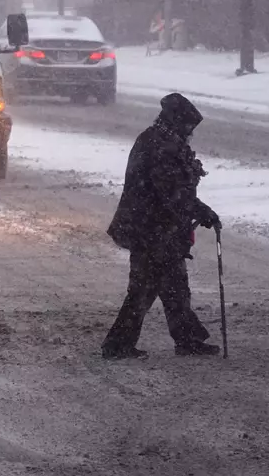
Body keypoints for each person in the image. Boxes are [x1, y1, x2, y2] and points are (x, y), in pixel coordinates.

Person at [101, 92, 222, 360]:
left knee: (175, 285)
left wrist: (198, 210)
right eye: (188, 127)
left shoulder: (163, 140)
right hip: (149, 230)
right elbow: (171, 193)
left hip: (160, 229)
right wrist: (201, 211)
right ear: (177, 122)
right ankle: (117, 344)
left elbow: (176, 193)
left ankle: (187, 339)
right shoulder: (159, 146)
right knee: (143, 289)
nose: (190, 133)